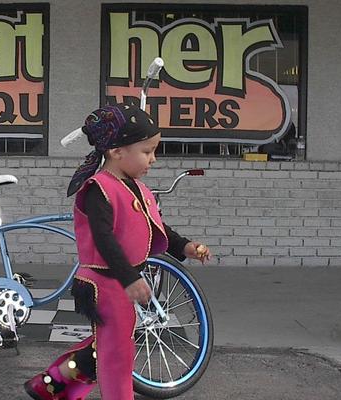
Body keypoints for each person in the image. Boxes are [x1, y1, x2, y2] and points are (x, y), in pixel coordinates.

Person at [24, 103, 211, 400]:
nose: (153, 159)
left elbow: (157, 225)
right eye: (147, 151)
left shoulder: (136, 187)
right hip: (105, 282)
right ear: (116, 151)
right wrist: (129, 278)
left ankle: (51, 385)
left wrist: (185, 246)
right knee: (118, 355)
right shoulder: (99, 189)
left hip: (119, 280)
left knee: (106, 344)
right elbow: (104, 239)